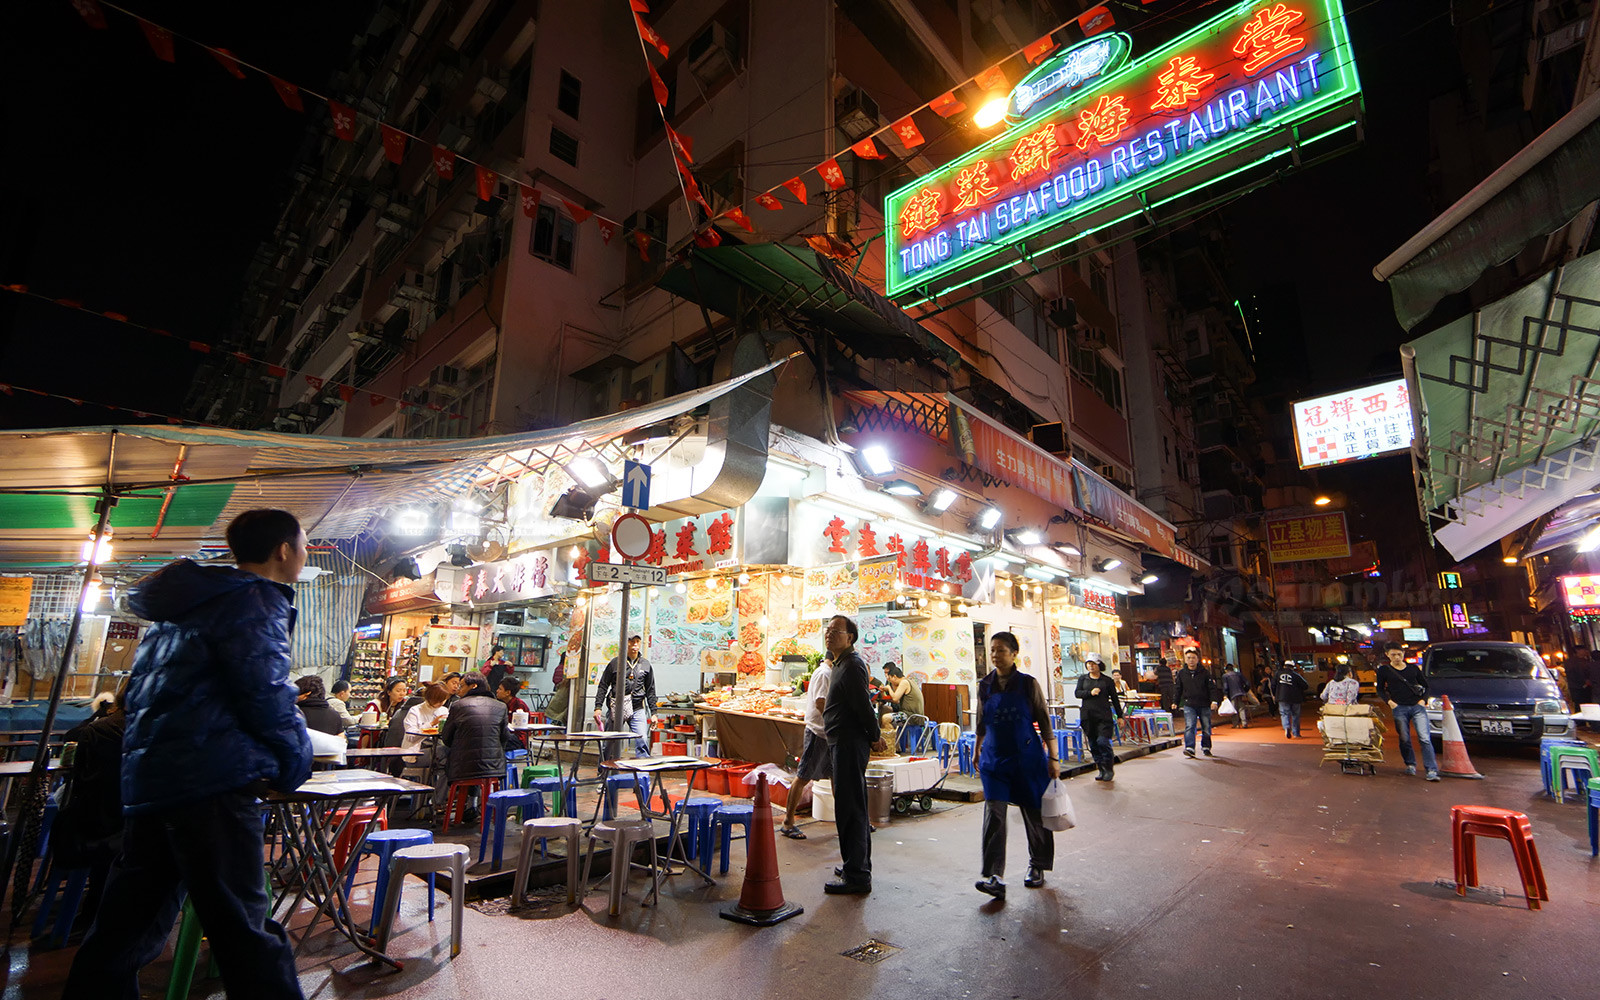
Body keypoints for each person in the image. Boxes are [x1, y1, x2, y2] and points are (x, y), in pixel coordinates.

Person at [63, 508, 311, 1000]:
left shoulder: (185, 604)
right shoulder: (254, 598)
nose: (304, 554)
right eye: (303, 545)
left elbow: (144, 695)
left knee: (126, 926)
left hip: (154, 782)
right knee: (243, 926)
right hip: (211, 781)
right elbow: (265, 690)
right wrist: (294, 760)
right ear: (284, 549)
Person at [973, 631, 1060, 898]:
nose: (995, 655)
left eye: (1001, 650)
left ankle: (1038, 865)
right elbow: (981, 722)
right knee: (995, 816)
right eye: (993, 650)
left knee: (1033, 813)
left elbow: (1044, 722)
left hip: (1027, 759)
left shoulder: (1028, 684)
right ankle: (994, 876)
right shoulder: (985, 685)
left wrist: (1054, 758)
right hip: (994, 760)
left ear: (1014, 654)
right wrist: (977, 751)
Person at [823, 616, 886, 894]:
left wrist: (875, 736)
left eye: (836, 631)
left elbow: (863, 706)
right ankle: (854, 865)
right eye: (828, 630)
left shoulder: (852, 665)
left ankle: (857, 875)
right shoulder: (840, 663)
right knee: (848, 807)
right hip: (841, 742)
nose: (830, 634)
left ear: (850, 637)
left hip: (849, 744)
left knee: (851, 809)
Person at [55, 687, 127, 926]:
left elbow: (78, 778)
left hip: (94, 823)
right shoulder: (156, 733)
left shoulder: (97, 730)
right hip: (126, 827)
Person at [438, 670, 517, 823]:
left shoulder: (457, 705)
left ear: (473, 686)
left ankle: (447, 805)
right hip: (494, 767)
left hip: (462, 767)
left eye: (462, 686)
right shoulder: (500, 707)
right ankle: (474, 807)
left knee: (449, 760)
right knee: (478, 768)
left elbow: (446, 738)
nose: (459, 690)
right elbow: (504, 737)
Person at [781, 655, 832, 839]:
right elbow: (821, 702)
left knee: (836, 779)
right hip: (818, 732)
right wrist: (834, 723)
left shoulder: (830, 672)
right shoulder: (825, 673)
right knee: (803, 776)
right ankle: (788, 822)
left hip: (828, 735)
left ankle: (846, 822)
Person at [1376, 642, 1438, 781]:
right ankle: (1410, 764)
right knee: (1404, 738)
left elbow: (1426, 686)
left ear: (1403, 654)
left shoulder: (1413, 669)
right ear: (1387, 655)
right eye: (1393, 655)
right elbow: (1380, 688)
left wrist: (1423, 701)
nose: (1397, 657)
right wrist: (1390, 702)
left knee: (1425, 738)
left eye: (1399, 654)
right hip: (1399, 708)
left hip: (1417, 707)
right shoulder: (1384, 670)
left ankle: (1431, 770)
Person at [594, 635, 657, 758]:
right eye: (631, 642)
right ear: (625, 644)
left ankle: (642, 775)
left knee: (642, 739)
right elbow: (603, 685)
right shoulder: (615, 663)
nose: (635, 645)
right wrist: (598, 707)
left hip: (637, 708)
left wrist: (654, 712)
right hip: (616, 708)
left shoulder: (645, 665)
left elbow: (651, 690)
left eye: (637, 642)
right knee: (609, 742)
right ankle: (603, 772)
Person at [1075, 651, 1122, 781]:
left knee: (1102, 741)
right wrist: (1090, 692)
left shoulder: (1107, 681)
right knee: (1093, 743)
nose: (1091, 666)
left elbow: (1115, 699)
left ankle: (1108, 768)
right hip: (1088, 716)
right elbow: (1077, 693)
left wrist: (1120, 716)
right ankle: (1100, 768)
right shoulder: (1083, 679)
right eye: (1088, 664)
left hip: (1103, 716)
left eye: (1093, 664)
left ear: (1099, 665)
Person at [1174, 648, 1220, 758]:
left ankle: (1206, 747)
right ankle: (1189, 748)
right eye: (1188, 658)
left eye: (1193, 658)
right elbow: (1178, 688)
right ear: (1185, 660)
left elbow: (1212, 688)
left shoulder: (1205, 673)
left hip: (1204, 704)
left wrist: (1214, 701)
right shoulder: (1181, 673)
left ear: (1197, 659)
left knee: (1206, 727)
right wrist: (1175, 702)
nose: (1191, 660)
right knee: (1190, 726)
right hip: (1189, 704)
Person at [400, 683, 450, 751]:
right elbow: (410, 737)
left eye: (443, 700)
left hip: (437, 746)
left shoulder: (444, 710)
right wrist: (431, 724)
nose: (441, 703)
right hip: (416, 749)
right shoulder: (415, 710)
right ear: (429, 698)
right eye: (437, 700)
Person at [1273, 662, 1309, 739]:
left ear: (1284, 666)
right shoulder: (1296, 675)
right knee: (1295, 715)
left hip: (1282, 697)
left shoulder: (1278, 674)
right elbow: (1305, 685)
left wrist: (1275, 694)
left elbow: (1273, 685)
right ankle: (1296, 733)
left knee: (1284, 713)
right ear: (1293, 667)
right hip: (1295, 698)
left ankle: (1287, 727)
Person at [546, 651, 572, 728]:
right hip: (562, 691)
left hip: (557, 689)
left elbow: (554, 679)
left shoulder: (558, 667)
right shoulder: (565, 669)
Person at [1221, 663, 1251, 729]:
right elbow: (1247, 683)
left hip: (1232, 694)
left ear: (1226, 670)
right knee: (1242, 708)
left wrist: (1225, 694)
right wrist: (1245, 690)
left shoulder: (1225, 676)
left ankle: (1236, 724)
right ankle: (1244, 723)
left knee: (1233, 709)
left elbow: (1225, 686)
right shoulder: (1239, 674)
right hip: (1241, 692)